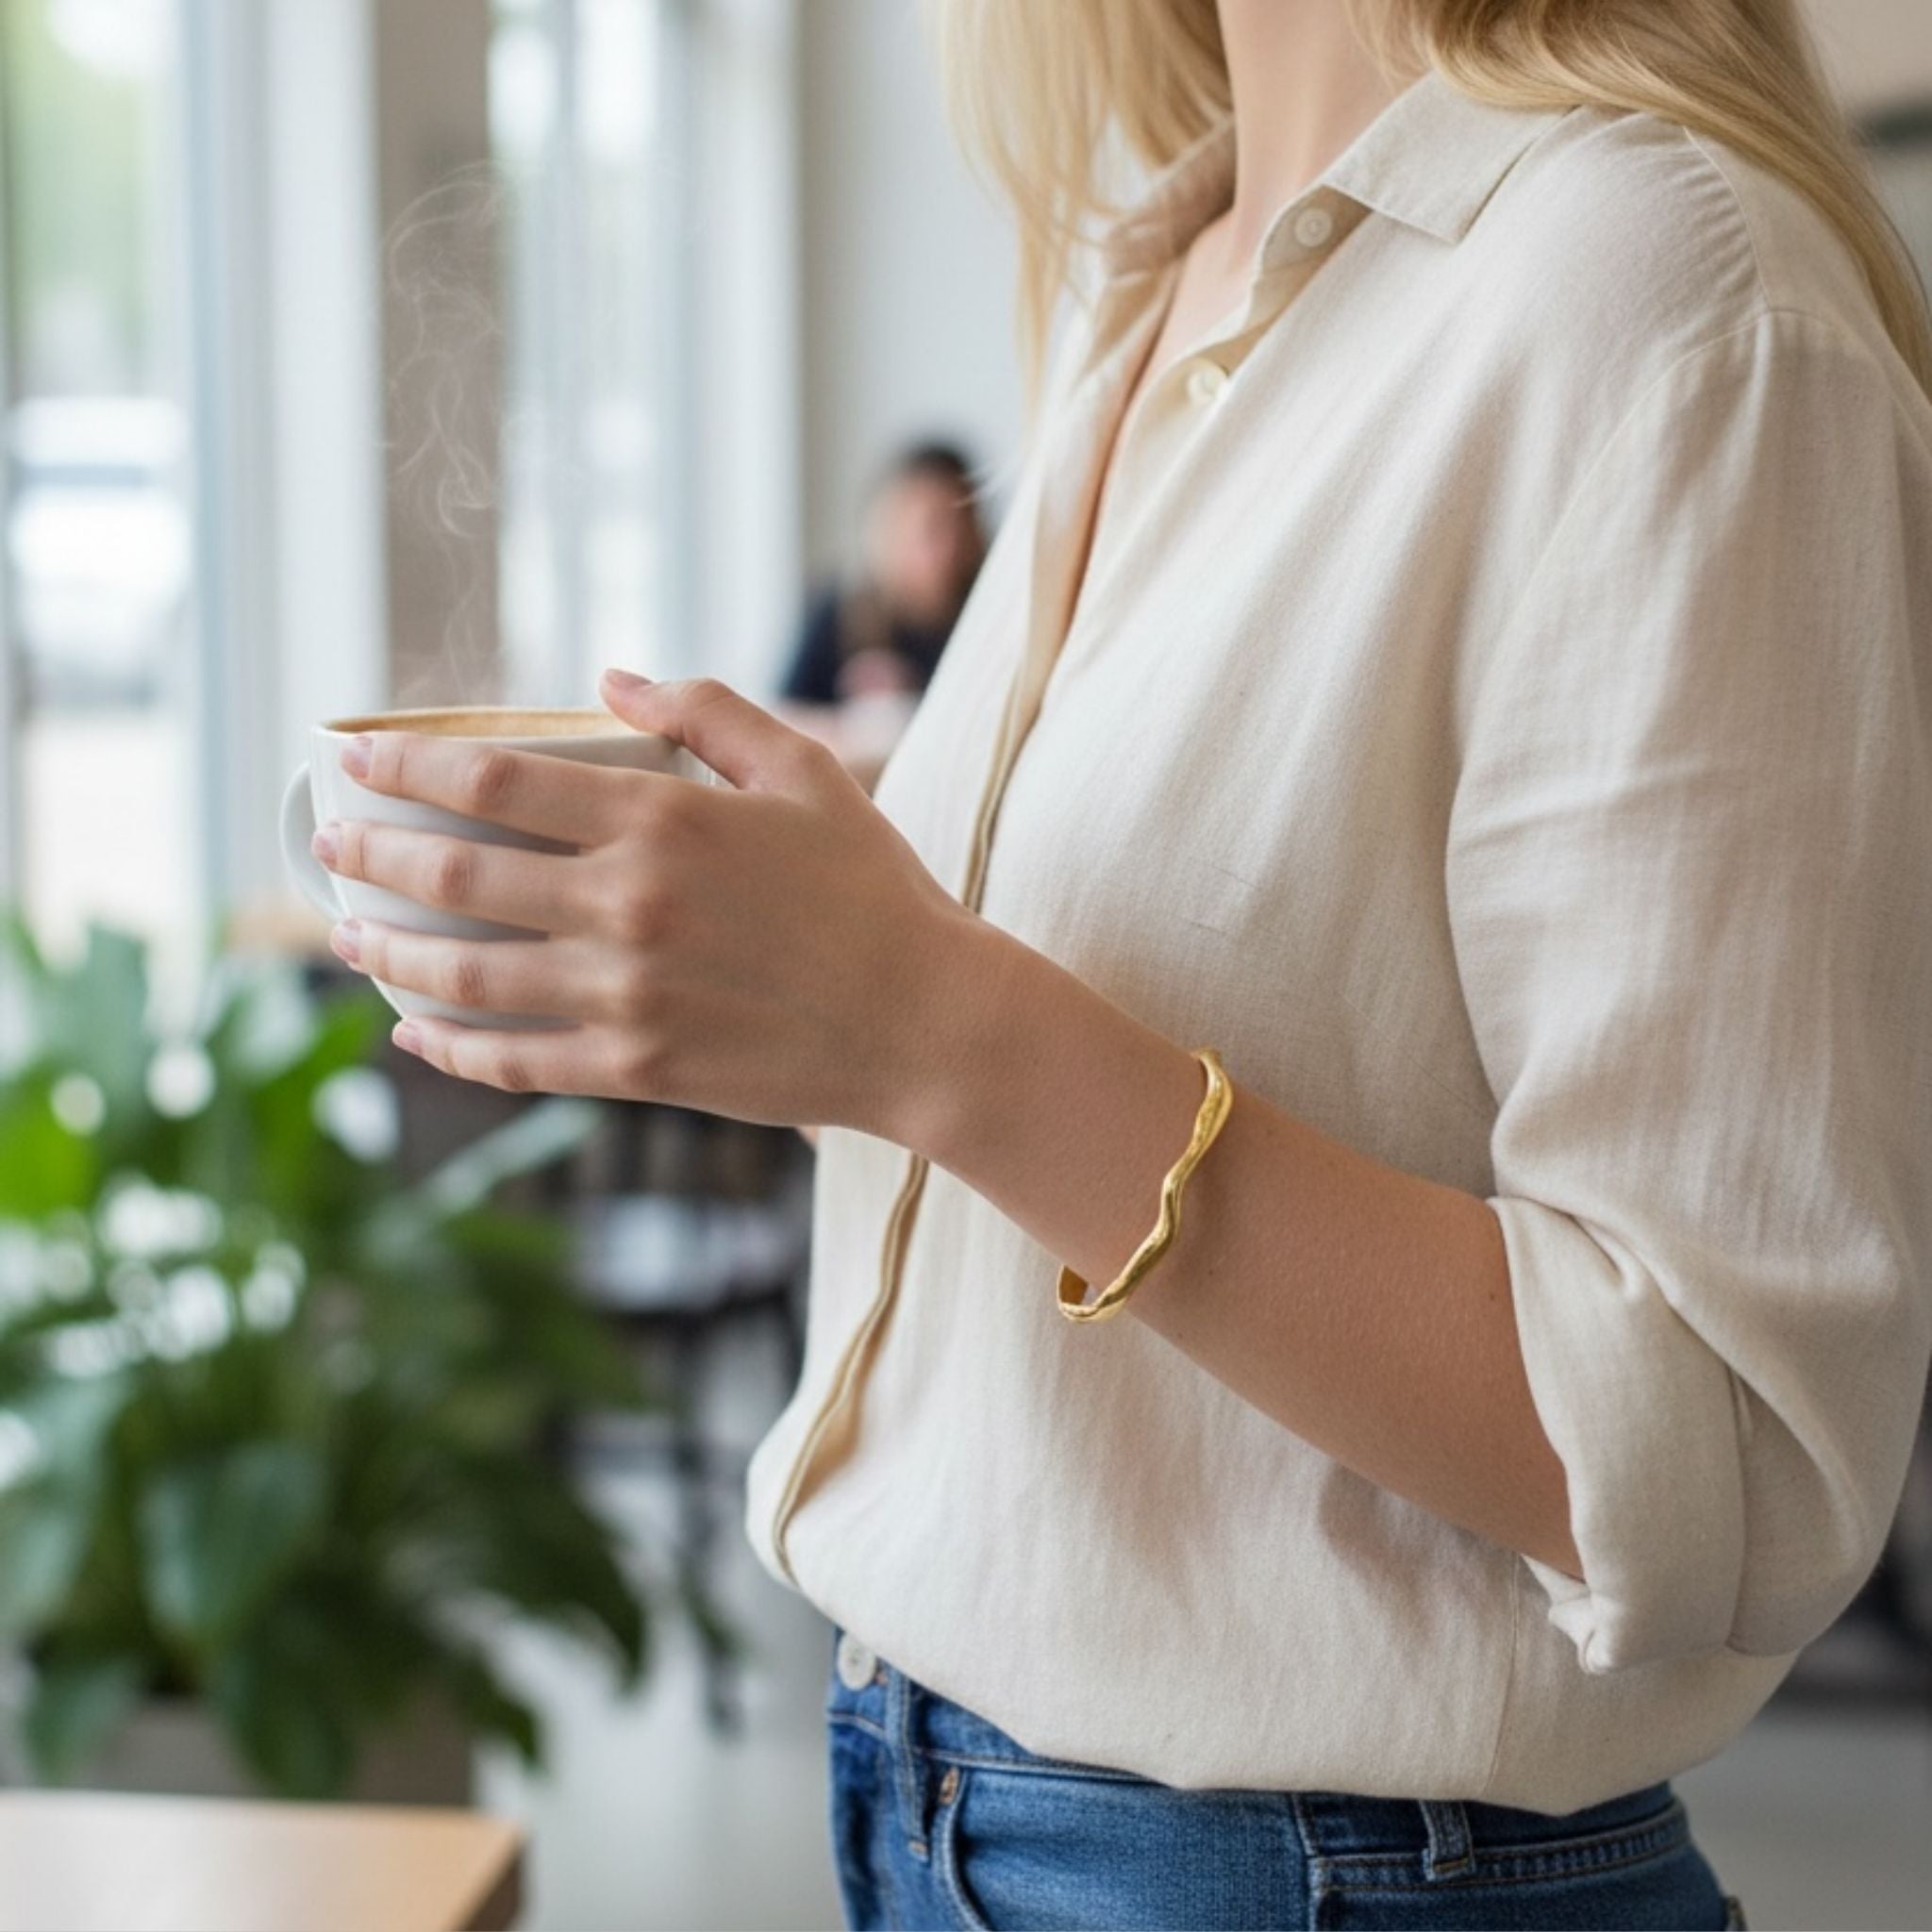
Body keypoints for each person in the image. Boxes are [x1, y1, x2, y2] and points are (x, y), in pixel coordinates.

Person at [309, 1, 1932, 1924]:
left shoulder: (1668, 296)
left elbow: (1726, 1443)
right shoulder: (1159, 267)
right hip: (927, 1807)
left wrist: (917, 1022)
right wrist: (819, 881)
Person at [778, 439, 988, 709]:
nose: (950, 548)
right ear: (891, 528)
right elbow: (785, 713)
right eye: (932, 528)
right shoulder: (840, 611)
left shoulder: (984, 616)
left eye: (962, 527)